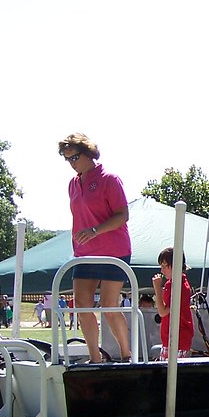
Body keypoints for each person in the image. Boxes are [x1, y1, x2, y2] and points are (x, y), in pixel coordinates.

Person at [59, 132, 132, 363]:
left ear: (89, 154)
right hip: (84, 254)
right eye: (66, 159)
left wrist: (95, 231)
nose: (71, 163)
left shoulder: (109, 179)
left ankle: (126, 355)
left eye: (74, 157)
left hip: (114, 251)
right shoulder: (73, 184)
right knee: (81, 305)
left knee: (109, 305)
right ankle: (95, 358)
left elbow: (123, 215)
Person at [151, 247, 194, 360]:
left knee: (170, 373)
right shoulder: (175, 284)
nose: (162, 270)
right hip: (173, 338)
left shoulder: (179, 286)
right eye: (161, 267)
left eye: (165, 266)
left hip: (177, 340)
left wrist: (157, 288)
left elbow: (163, 312)